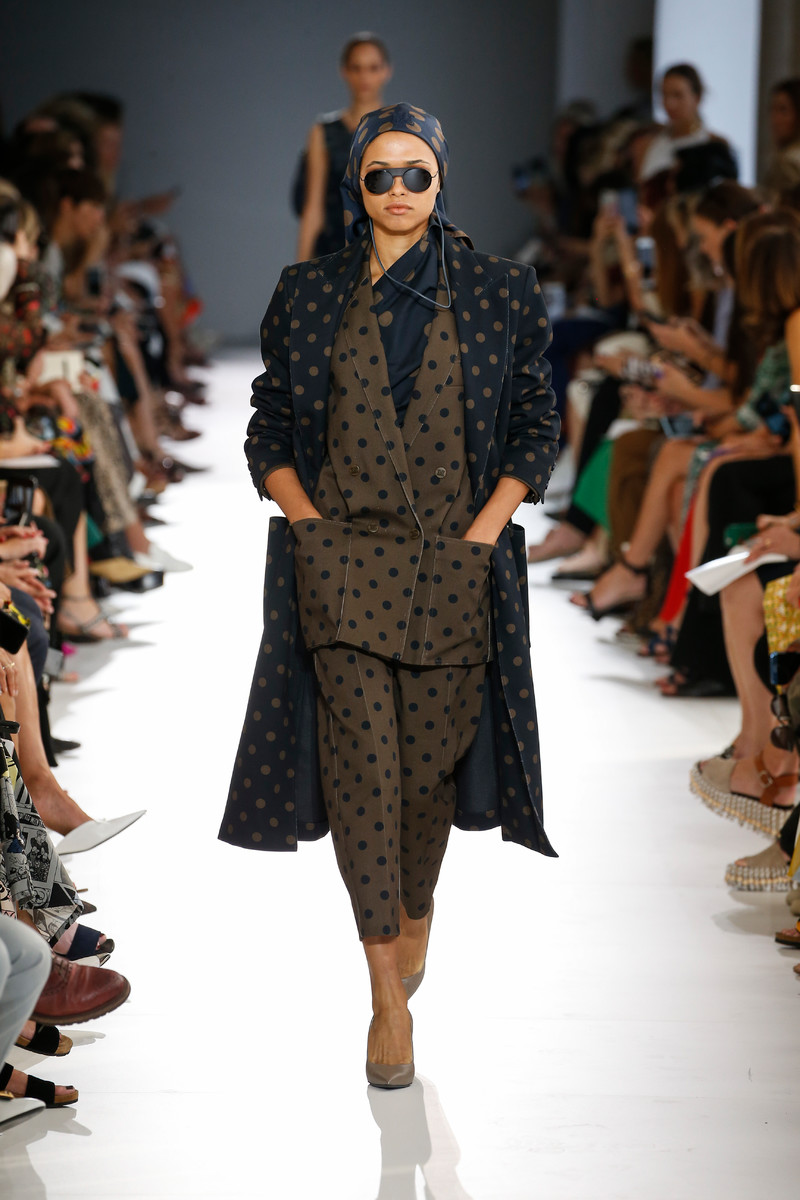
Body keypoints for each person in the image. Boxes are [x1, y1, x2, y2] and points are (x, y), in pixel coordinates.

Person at [222, 102, 560, 1088]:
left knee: (423, 779)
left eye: (416, 173)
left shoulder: (500, 290)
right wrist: (306, 524)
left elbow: (534, 421)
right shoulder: (307, 293)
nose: (400, 190)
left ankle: (414, 907)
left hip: (455, 567)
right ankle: (384, 1000)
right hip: (342, 569)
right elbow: (269, 423)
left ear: (441, 180)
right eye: (381, 175)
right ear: (355, 187)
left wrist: (483, 534)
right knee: (362, 772)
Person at [295, 33, 392, 260]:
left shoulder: (401, 130)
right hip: (335, 253)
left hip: (389, 254)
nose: (364, 77)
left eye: (373, 68)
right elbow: (314, 208)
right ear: (344, 71)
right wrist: (299, 271)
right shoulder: (323, 132)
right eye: (356, 68)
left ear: (386, 71)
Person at [639, 64, 730, 183]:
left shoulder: (714, 146)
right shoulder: (650, 142)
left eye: (678, 95)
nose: (669, 104)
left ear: (697, 98)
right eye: (664, 95)